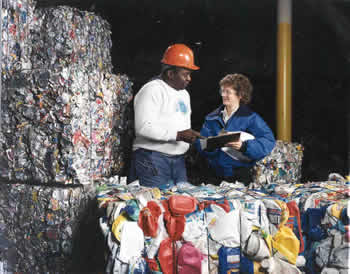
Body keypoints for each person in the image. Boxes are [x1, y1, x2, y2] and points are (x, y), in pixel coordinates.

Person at [127, 44, 202, 189]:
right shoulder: (153, 90)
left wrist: (191, 136)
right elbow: (143, 128)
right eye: (185, 74)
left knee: (180, 205)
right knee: (154, 206)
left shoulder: (184, 94)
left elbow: (179, 125)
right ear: (170, 74)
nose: (189, 79)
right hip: (152, 159)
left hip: (177, 161)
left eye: (190, 74)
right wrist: (178, 135)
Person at [195, 73, 275, 185]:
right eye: (222, 91)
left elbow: (268, 141)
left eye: (228, 92)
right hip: (213, 176)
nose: (223, 95)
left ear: (240, 95)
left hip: (239, 177)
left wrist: (244, 146)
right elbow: (200, 144)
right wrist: (210, 146)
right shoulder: (211, 118)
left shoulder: (251, 118)